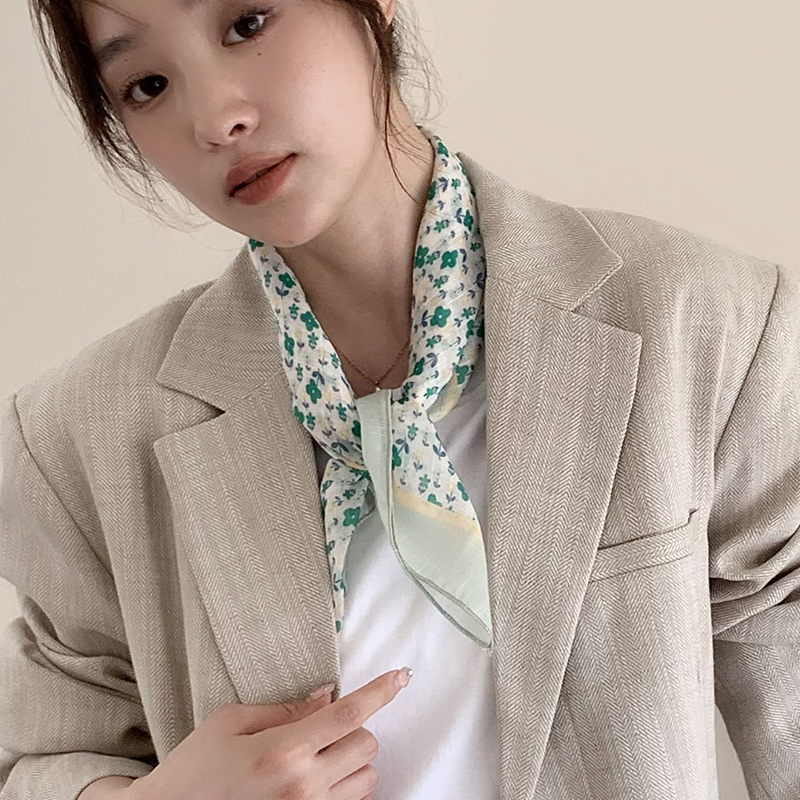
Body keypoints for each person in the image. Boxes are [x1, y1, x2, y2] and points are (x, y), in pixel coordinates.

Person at [2, 0, 799, 799]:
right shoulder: (81, 436)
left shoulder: (700, 321)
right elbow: (38, 756)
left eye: (247, 23)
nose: (215, 119)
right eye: (146, 85)